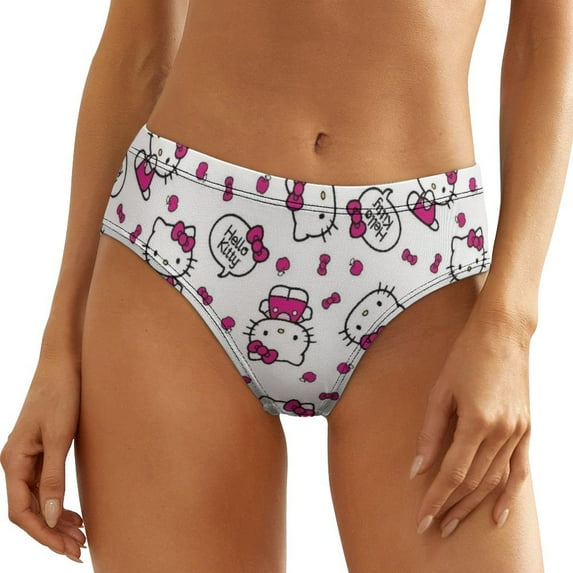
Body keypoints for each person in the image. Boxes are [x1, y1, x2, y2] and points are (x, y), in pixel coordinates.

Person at [1, 0, 571, 570]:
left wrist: (509, 327)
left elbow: (543, 44)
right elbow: (138, 51)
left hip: (420, 270)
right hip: (178, 242)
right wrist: (60, 347)